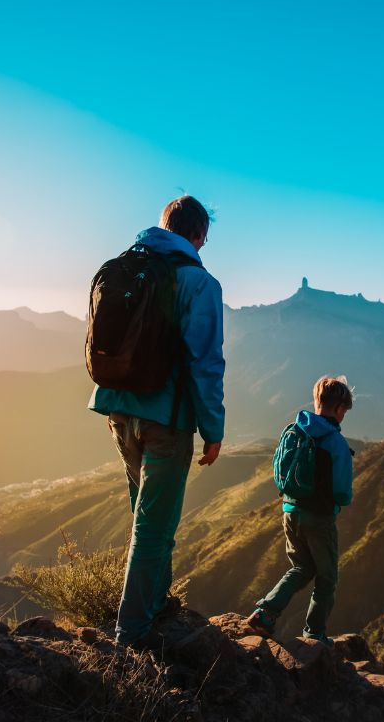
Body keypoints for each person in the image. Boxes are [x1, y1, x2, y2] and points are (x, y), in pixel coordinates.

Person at [89, 195, 225, 648]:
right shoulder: (198, 282)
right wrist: (213, 430)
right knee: (153, 528)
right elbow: (204, 363)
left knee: (146, 517)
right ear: (198, 235)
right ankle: (133, 638)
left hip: (117, 411)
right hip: (164, 422)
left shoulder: (127, 266)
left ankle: (156, 603)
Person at [246, 376, 354, 645]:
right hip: (319, 517)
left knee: (302, 567)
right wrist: (341, 501)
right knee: (327, 578)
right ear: (340, 407)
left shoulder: (294, 430)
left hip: (290, 511)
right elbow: (342, 491)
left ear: (317, 401)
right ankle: (314, 634)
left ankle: (265, 613)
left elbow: (277, 468)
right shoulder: (335, 442)